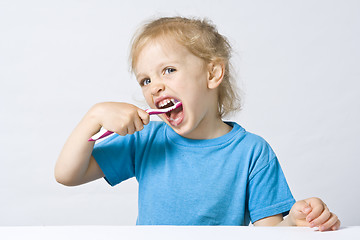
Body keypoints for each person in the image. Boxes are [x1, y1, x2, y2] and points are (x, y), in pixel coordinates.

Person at [55, 17, 340, 231]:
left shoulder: (253, 152)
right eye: (146, 80)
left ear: (212, 74)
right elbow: (68, 174)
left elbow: (270, 233)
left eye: (168, 70)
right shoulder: (147, 139)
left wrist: (295, 222)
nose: (155, 87)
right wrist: (93, 116)